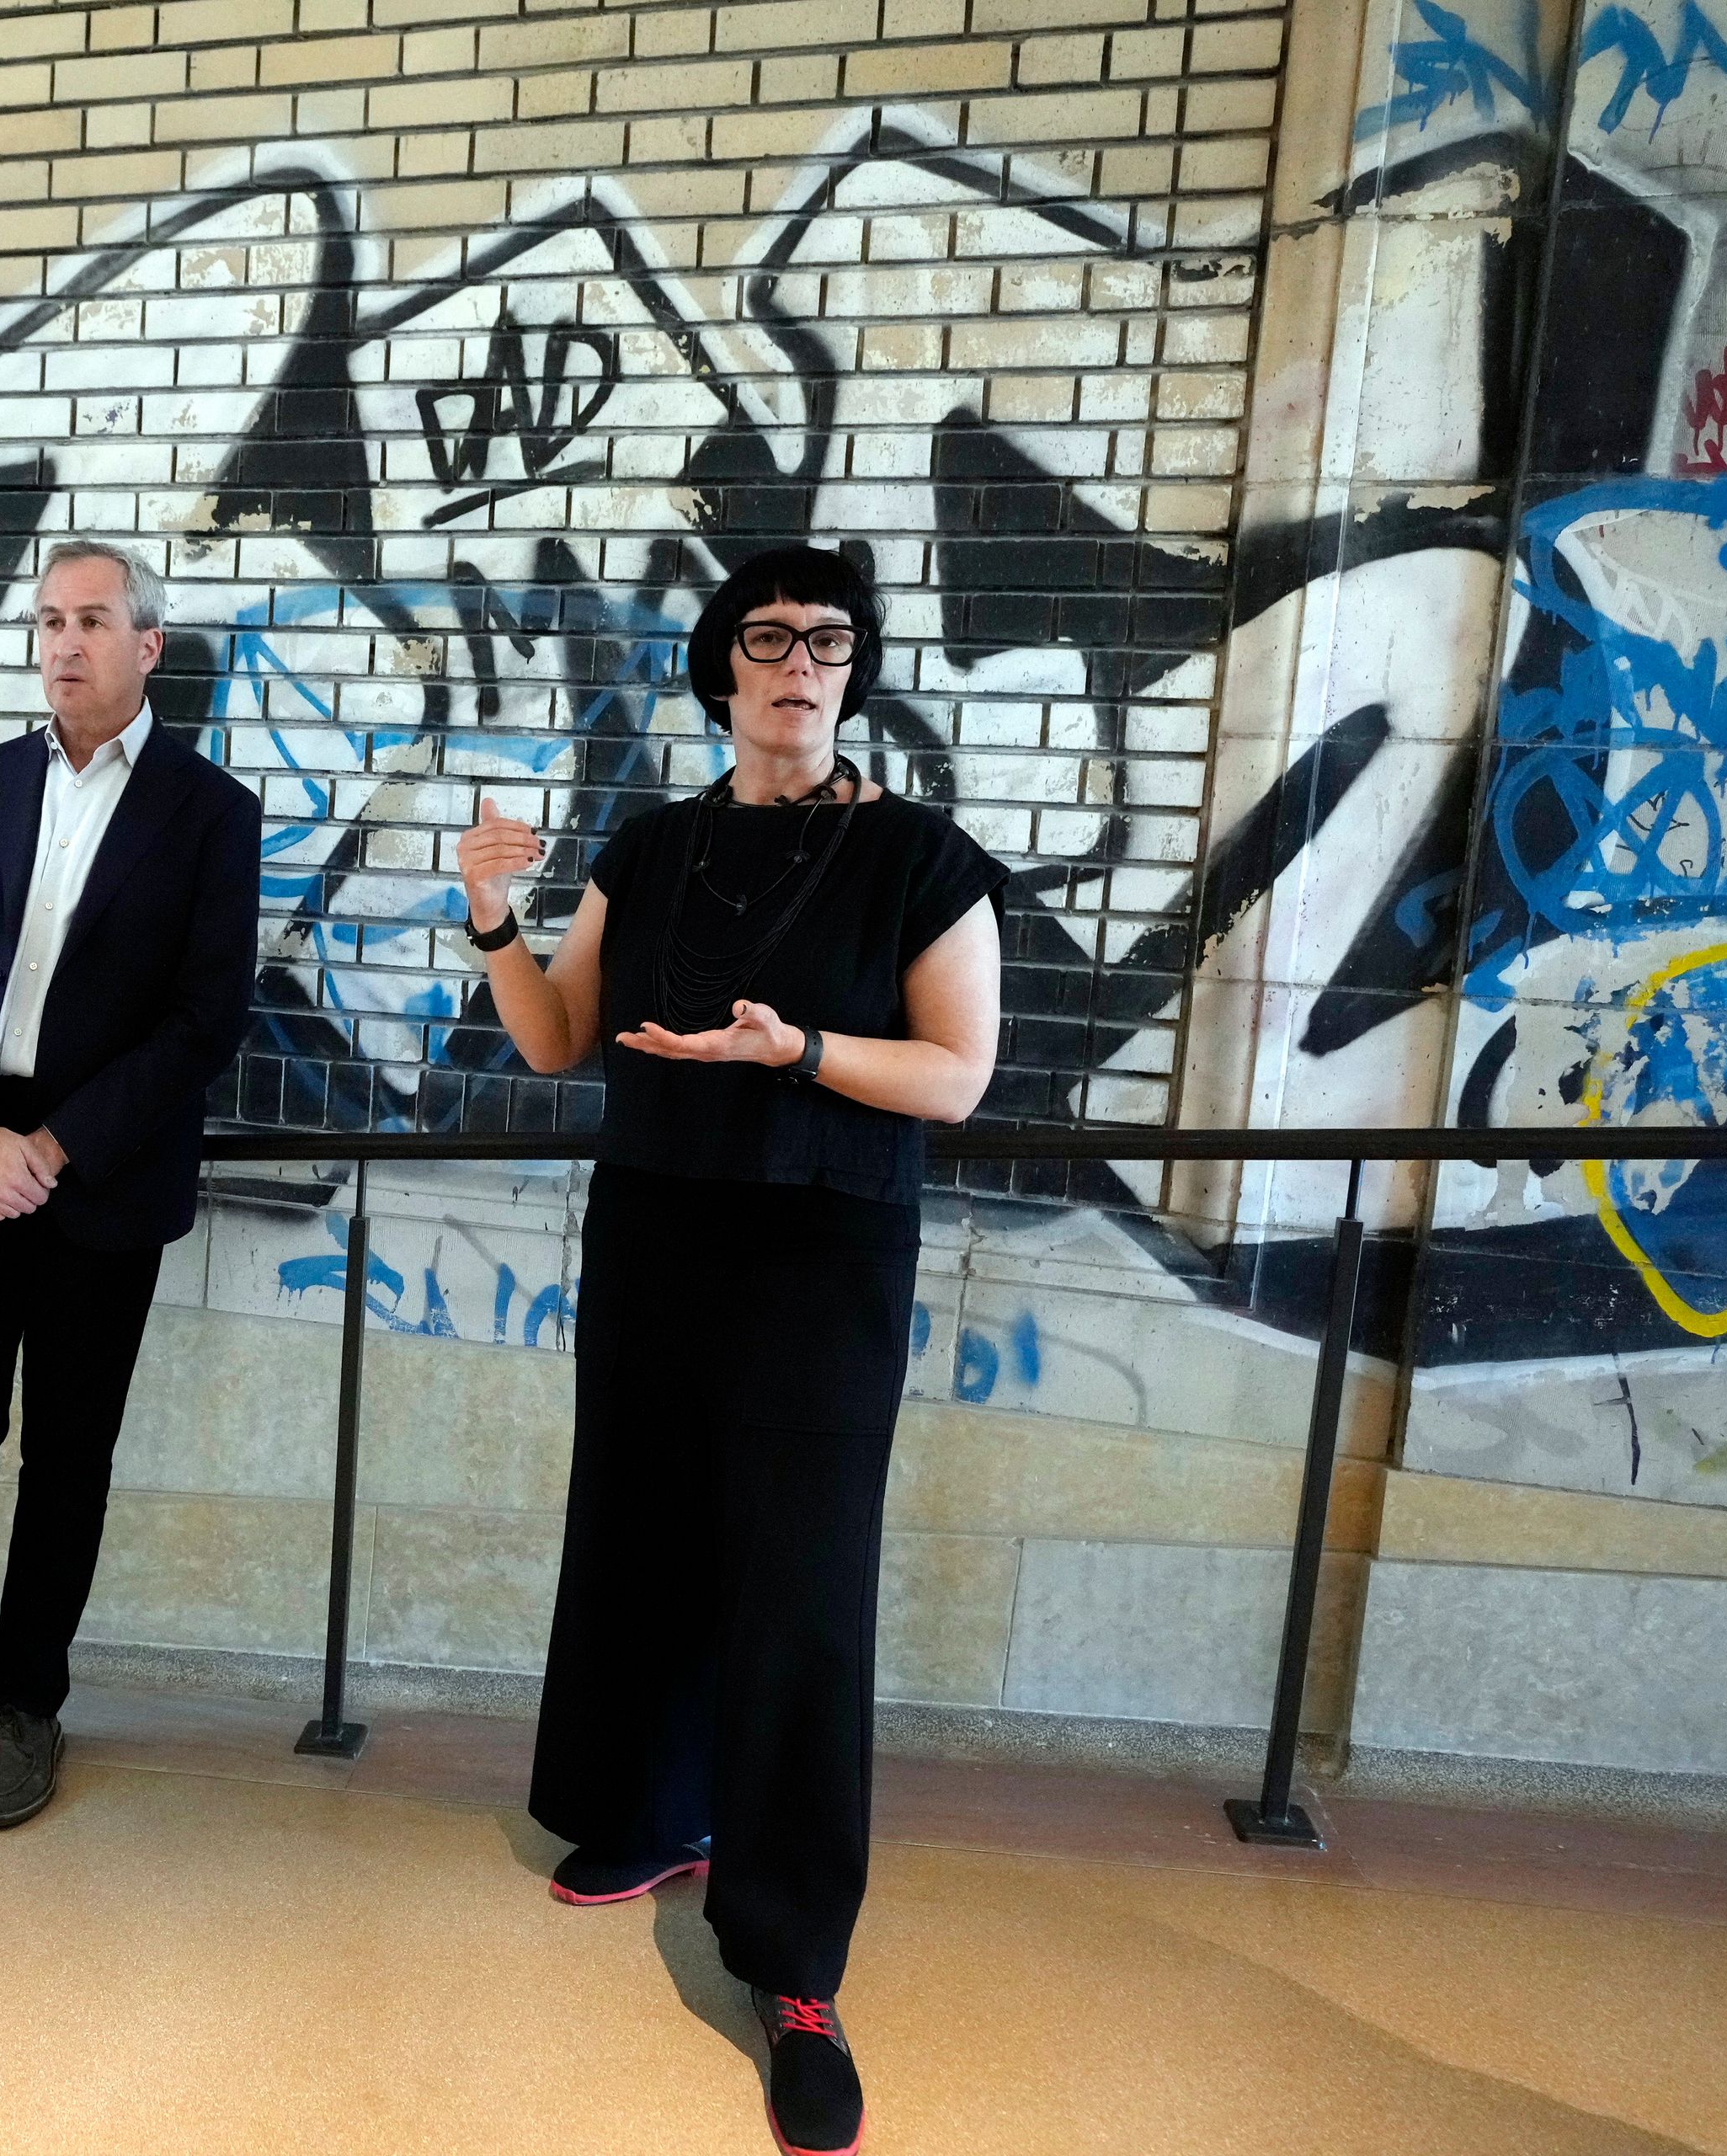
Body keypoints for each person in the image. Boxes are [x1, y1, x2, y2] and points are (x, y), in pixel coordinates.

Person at [451, 543, 1004, 2156]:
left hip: (822, 1254)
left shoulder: (919, 856)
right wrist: (495, 910)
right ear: (723, 666)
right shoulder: (656, 844)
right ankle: (650, 1814)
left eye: (830, 640)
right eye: (769, 637)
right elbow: (557, 1038)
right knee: (641, 1543)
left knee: (801, 1591)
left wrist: (804, 1049)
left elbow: (959, 1076)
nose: (800, 662)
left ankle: (792, 1965)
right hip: (658, 1236)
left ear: (855, 671)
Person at [0, 540, 262, 1845]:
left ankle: (28, 1707)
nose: (62, 643)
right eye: (47, 621)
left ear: (147, 645)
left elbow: (207, 1019)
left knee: (68, 1463)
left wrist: (56, 1147)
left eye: (92, 620)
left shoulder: (210, 813)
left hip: (99, 1178)